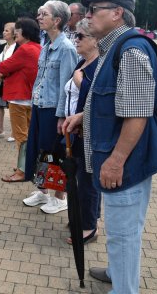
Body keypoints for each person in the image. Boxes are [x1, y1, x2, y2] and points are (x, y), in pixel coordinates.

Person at [63, 0, 157, 293]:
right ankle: (116, 272)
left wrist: (116, 160)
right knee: (121, 228)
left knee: (124, 233)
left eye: (93, 9)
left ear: (117, 13)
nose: (86, 16)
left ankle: (124, 289)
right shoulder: (114, 47)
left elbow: (138, 114)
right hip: (119, 157)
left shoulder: (131, 50)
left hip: (125, 163)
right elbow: (115, 102)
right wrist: (83, 117)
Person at [22, 0, 77, 214]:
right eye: (38, 13)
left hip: (54, 110)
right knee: (40, 150)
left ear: (57, 20)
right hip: (39, 105)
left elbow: (67, 86)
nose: (39, 17)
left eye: (44, 14)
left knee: (54, 152)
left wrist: (62, 116)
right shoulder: (46, 46)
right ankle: (42, 191)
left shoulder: (66, 49)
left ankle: (59, 197)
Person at [63, 18, 101, 244]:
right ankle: (82, 216)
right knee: (78, 178)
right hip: (74, 130)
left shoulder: (98, 65)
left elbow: (94, 97)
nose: (75, 40)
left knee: (87, 180)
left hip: (87, 132)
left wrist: (79, 79)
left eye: (80, 36)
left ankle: (89, 226)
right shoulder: (82, 62)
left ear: (95, 40)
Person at [0, 18, 41, 182]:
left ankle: (22, 170)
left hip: (19, 98)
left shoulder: (24, 49)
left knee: (21, 136)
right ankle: (27, 164)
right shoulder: (38, 47)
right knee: (28, 134)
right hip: (30, 97)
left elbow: (4, 67)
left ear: (24, 33)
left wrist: (2, 72)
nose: (15, 34)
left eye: (18, 31)